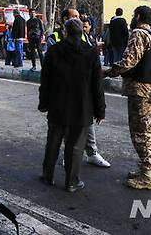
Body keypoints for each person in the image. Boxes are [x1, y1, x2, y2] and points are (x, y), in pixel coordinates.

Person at [39, 18, 105, 192]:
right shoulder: (91, 53)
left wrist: (43, 103)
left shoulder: (53, 51)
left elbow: (45, 81)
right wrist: (100, 110)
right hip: (81, 108)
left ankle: (48, 175)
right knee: (75, 147)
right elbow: (97, 85)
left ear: (65, 33)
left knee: (53, 141)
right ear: (82, 33)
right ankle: (71, 182)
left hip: (57, 105)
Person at [47, 7, 110, 168]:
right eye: (73, 17)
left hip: (82, 89)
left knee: (87, 122)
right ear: (63, 20)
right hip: (64, 90)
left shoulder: (85, 37)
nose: (78, 19)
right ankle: (69, 155)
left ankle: (92, 153)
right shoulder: (55, 38)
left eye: (78, 17)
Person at [105, 6, 151, 190]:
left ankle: (148, 175)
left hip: (141, 90)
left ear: (137, 16)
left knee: (141, 132)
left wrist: (108, 71)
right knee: (146, 130)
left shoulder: (139, 33)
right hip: (150, 89)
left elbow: (129, 61)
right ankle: (145, 168)